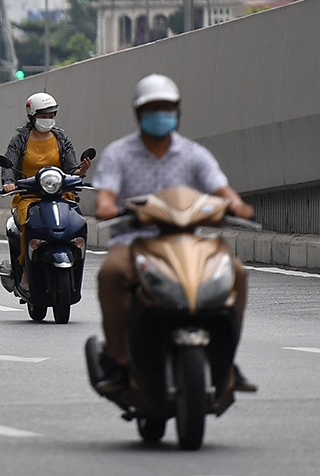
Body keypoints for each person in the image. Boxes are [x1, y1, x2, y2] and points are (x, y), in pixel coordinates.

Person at [92, 74, 255, 393]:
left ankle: (225, 357)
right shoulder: (119, 154)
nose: (160, 114)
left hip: (187, 240)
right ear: (139, 113)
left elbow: (222, 190)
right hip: (134, 241)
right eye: (153, 108)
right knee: (111, 273)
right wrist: (111, 208)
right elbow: (105, 200)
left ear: (178, 111)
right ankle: (118, 359)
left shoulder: (194, 154)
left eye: (166, 108)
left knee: (236, 272)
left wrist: (236, 206)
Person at [0, 92, 89, 295]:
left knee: (77, 222)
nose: (48, 120)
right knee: (27, 224)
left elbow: (72, 168)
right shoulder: (20, 140)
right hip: (29, 196)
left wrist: (80, 171)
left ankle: (75, 259)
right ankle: (25, 274)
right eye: (43, 116)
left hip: (60, 194)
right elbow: (8, 164)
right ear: (32, 116)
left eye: (51, 115)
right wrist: (9, 183)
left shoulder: (61, 138)